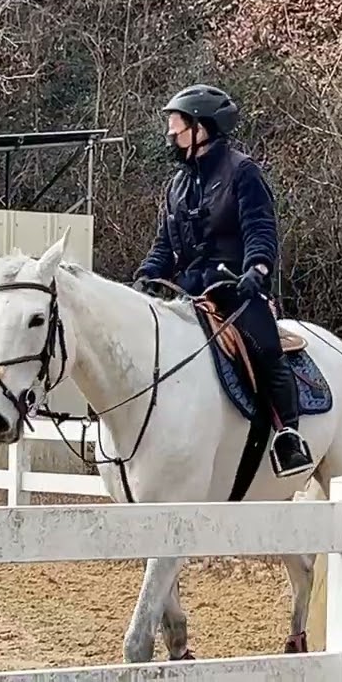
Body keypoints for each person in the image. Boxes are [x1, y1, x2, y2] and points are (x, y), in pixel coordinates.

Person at [131, 84, 315, 479]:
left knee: (264, 347)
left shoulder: (243, 172)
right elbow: (165, 244)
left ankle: (288, 436)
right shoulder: (176, 186)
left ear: (202, 127)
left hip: (236, 287)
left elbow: (260, 231)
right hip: (188, 291)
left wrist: (258, 270)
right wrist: (147, 275)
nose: (169, 135)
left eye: (176, 126)